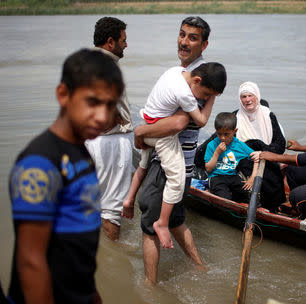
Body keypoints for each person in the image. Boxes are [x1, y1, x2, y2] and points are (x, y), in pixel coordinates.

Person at [7, 49, 124, 304]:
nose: (103, 116)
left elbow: (80, 247)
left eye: (110, 104)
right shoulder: (39, 164)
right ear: (63, 94)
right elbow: (31, 262)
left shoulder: (82, 154)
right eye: (93, 102)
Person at [121, 16, 215, 284]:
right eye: (182, 35)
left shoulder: (197, 79)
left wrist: (140, 131)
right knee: (174, 219)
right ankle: (200, 269)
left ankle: (150, 288)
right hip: (180, 164)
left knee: (150, 227)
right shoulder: (189, 74)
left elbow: (178, 122)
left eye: (193, 38)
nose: (184, 42)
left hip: (168, 163)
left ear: (204, 44)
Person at [125, 62, 226, 249]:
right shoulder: (186, 95)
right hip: (160, 135)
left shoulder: (175, 72)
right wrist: (212, 99)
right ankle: (162, 223)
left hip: (148, 122)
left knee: (143, 165)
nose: (204, 98)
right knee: (177, 179)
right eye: (205, 94)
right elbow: (202, 120)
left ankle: (128, 199)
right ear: (197, 80)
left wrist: (209, 93)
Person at [84, 16, 133, 241]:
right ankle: (115, 256)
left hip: (91, 141)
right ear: (110, 42)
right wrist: (117, 122)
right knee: (112, 208)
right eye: (123, 39)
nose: (126, 44)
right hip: (110, 141)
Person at [234, 81, 286, 212]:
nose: (247, 100)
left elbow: (280, 144)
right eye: (244, 97)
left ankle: (274, 208)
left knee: (273, 178)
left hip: (267, 157)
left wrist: (263, 153)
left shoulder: (268, 115)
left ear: (257, 96)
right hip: (246, 159)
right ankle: (258, 206)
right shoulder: (236, 116)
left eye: (250, 96)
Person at [204, 112, 260, 202]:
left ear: (235, 131)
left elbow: (257, 158)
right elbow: (209, 169)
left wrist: (252, 178)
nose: (222, 138)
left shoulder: (239, 145)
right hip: (216, 177)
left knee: (248, 197)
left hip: (233, 176)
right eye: (219, 134)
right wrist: (217, 153)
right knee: (225, 200)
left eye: (226, 134)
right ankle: (212, 191)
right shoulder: (212, 145)